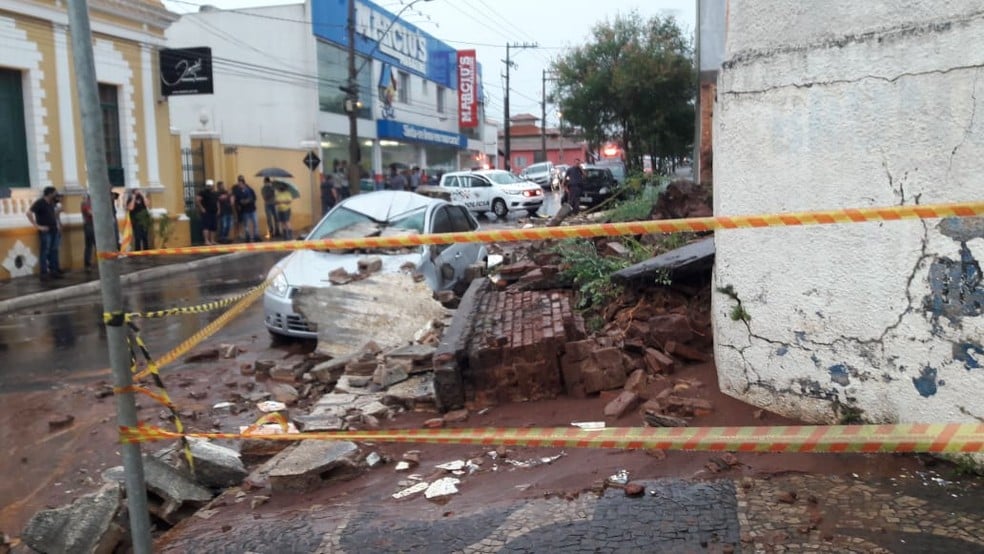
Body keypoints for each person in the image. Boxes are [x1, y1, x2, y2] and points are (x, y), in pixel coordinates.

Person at [26, 186, 63, 280]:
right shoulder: (40, 202)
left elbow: (54, 214)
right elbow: (29, 213)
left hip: (54, 229)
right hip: (45, 230)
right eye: (54, 193)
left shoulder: (51, 203)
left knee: (54, 250)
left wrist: (58, 223)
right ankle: (44, 273)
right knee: (45, 251)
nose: (56, 195)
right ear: (49, 193)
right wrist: (37, 226)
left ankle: (54, 270)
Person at [232, 175, 259, 242]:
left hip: (252, 209)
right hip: (245, 210)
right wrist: (241, 202)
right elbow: (237, 200)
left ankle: (256, 237)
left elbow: (254, 197)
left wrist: (248, 200)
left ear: (244, 184)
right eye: (239, 183)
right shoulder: (237, 191)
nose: (239, 185)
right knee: (246, 224)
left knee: (255, 223)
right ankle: (247, 237)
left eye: (241, 184)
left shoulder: (250, 189)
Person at [196, 179, 219, 245]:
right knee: (206, 226)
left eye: (211, 185)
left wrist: (218, 209)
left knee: (213, 227)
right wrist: (202, 208)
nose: (210, 187)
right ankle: (206, 241)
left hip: (214, 212)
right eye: (208, 185)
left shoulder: (214, 193)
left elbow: (217, 202)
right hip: (206, 212)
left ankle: (212, 240)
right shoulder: (203, 192)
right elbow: (197, 200)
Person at [81, 192, 95, 271]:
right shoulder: (86, 203)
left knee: (90, 245)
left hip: (91, 225)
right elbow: (90, 213)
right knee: (90, 245)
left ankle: (89, 263)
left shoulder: (91, 203)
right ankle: (88, 263)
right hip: (89, 225)